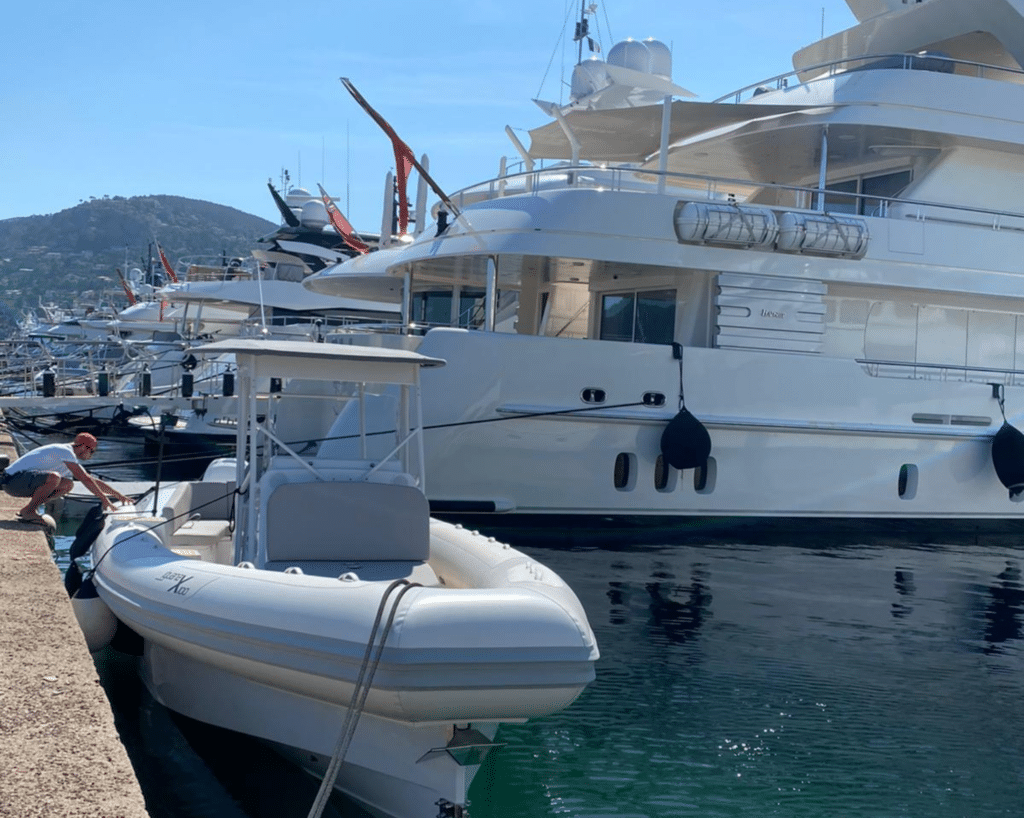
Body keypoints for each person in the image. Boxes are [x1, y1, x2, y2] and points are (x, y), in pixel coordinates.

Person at [1, 432, 131, 523]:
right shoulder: (65, 451)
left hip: (21, 482)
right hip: (12, 481)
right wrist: (104, 499)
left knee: (67, 484)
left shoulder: (69, 458)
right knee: (54, 478)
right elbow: (85, 479)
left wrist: (118, 495)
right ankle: (29, 511)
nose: (91, 455)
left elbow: (91, 480)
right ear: (82, 447)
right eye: (91, 451)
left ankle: (29, 510)